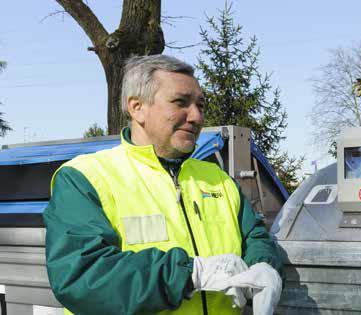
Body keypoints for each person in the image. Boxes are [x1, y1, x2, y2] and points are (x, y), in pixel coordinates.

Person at [44, 54, 282, 315]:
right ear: (137, 107)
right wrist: (189, 274)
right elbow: (82, 276)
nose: (196, 116)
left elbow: (255, 236)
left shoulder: (219, 179)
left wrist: (264, 265)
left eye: (200, 105)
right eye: (180, 102)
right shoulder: (85, 178)